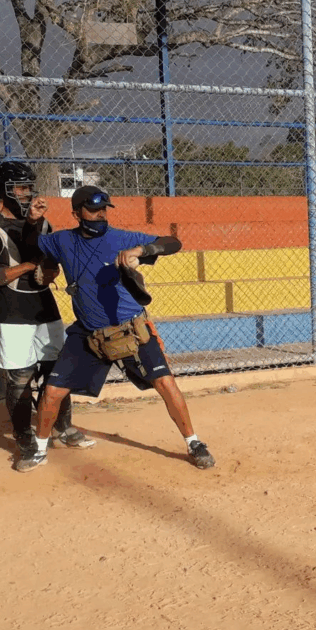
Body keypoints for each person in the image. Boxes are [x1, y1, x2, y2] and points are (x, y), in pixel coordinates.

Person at [19, 184, 216, 472]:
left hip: (130, 330)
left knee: (166, 383)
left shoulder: (122, 238)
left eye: (104, 209)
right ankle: (38, 449)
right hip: (88, 332)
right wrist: (33, 220)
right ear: (76, 213)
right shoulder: (62, 241)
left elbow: (173, 242)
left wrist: (142, 249)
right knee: (52, 391)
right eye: (93, 209)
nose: (100, 215)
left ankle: (194, 442)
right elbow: (32, 243)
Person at [0, 160, 95, 472]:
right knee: (19, 379)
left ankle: (62, 427)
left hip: (45, 306)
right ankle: (24, 436)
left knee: (59, 369)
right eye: (20, 188)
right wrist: (29, 267)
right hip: (13, 311)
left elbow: (53, 263)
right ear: (5, 191)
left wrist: (49, 269)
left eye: (30, 188)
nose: (27, 194)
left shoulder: (42, 225)